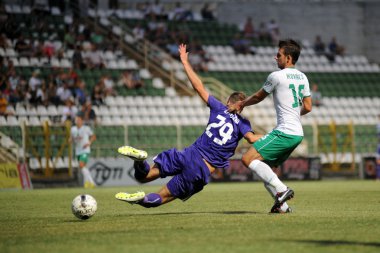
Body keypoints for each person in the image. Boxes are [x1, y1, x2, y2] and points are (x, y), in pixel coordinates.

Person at [115, 44, 259, 208]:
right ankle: (141, 200)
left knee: (144, 177)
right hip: (201, 168)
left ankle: (140, 162)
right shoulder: (243, 123)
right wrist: (276, 134)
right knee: (163, 197)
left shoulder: (219, 108)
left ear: (228, 101)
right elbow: (252, 139)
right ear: (242, 106)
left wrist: (184, 61)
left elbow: (199, 87)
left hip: (188, 154)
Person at [228, 39, 312, 213]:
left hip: (285, 132)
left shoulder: (276, 76)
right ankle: (283, 207)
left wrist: (241, 104)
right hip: (297, 133)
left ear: (288, 58)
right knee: (263, 166)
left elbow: (259, 97)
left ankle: (282, 189)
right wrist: (294, 114)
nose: (276, 58)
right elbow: (309, 107)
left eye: (279, 55)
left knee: (247, 159)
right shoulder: (303, 77)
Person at [70, 111, 97, 188]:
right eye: (76, 120)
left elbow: (93, 136)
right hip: (78, 151)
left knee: (82, 165)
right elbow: (71, 138)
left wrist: (89, 143)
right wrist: (70, 140)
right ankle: (88, 183)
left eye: (78, 119)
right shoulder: (73, 129)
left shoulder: (86, 128)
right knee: (83, 167)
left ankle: (90, 183)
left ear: (81, 121)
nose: (77, 121)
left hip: (85, 150)